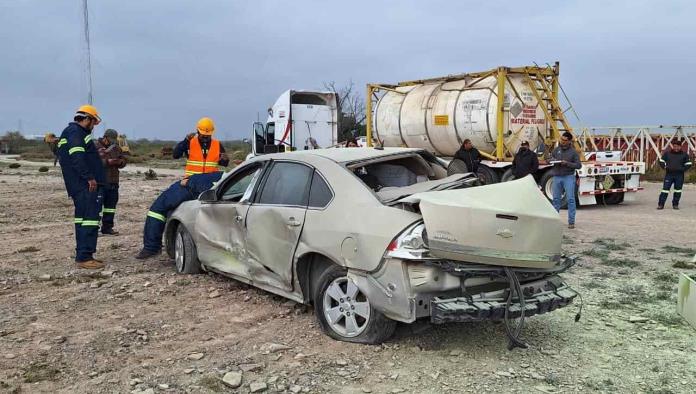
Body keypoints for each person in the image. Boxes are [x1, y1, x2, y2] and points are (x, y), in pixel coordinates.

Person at [56, 105, 106, 269]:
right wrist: (90, 178)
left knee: (82, 219)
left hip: (79, 185)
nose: (93, 126)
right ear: (87, 119)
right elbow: (77, 157)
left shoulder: (71, 132)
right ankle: (84, 257)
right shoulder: (76, 133)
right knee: (90, 220)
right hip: (85, 185)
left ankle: (83, 255)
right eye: (93, 122)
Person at [135, 172, 223, 259]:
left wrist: (190, 182)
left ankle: (151, 248)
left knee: (157, 211)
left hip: (193, 183)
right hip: (198, 182)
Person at [96, 129, 127, 235]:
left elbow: (124, 160)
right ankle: (93, 228)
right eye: (110, 139)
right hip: (100, 182)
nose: (112, 142)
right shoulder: (95, 146)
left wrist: (120, 162)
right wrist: (107, 162)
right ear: (105, 137)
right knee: (96, 206)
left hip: (113, 182)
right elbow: (91, 162)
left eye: (114, 140)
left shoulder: (116, 148)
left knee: (110, 207)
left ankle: (107, 228)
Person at [550, 132, 582, 229]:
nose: (562, 141)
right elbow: (550, 158)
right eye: (561, 139)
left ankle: (571, 222)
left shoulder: (573, 152)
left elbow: (578, 165)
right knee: (556, 199)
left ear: (569, 141)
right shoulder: (556, 150)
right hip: (557, 176)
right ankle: (554, 221)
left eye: (564, 140)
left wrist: (567, 163)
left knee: (570, 199)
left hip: (568, 177)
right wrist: (551, 160)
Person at [658, 139, 693, 210]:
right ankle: (661, 204)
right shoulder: (667, 154)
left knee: (678, 190)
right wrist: (664, 167)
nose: (676, 148)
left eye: (678, 146)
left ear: (680, 147)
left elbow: (689, 164)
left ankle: (675, 204)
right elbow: (661, 161)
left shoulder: (684, 155)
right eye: (675, 146)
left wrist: (682, 169)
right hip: (669, 175)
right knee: (665, 190)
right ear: (673, 146)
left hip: (679, 175)